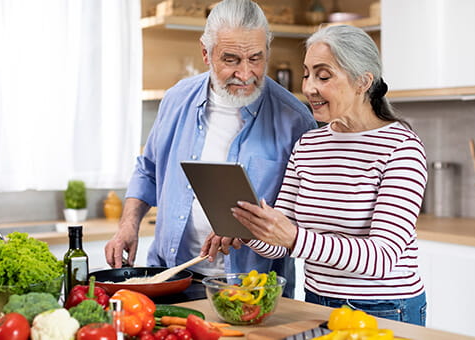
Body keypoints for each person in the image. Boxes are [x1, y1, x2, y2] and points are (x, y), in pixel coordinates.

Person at [104, 0, 316, 298]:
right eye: (231, 60)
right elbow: (148, 170)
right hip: (170, 280)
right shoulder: (177, 99)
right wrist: (128, 224)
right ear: (206, 53)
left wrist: (250, 230)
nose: (245, 74)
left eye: (256, 58)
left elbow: (304, 215)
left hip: (249, 294)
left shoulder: (296, 120)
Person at [219, 25, 428, 325]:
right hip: (316, 303)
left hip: (384, 307)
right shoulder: (309, 145)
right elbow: (282, 240)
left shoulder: (401, 147)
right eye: (306, 74)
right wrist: (250, 227)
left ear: (363, 81)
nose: (309, 88)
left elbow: (382, 258)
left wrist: (294, 238)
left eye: (323, 76)